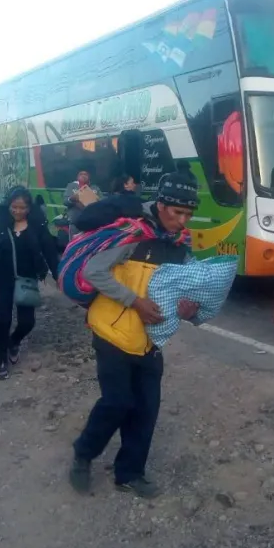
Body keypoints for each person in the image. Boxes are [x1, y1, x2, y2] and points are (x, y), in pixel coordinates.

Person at [69, 170, 200, 499]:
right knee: (117, 402)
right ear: (160, 206)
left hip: (149, 340)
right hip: (111, 331)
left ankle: (129, 473)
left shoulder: (180, 246)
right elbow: (93, 270)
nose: (183, 222)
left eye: (188, 214)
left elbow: (192, 289)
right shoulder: (133, 233)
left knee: (146, 408)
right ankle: (83, 454)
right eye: (178, 213)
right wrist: (135, 301)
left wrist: (190, 309)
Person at [0, 187, 60, 380]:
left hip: (27, 278)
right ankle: (1, 362)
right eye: (14, 207)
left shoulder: (37, 226)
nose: (18, 211)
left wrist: (59, 275)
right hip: (2, 278)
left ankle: (14, 341)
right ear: (9, 205)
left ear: (29, 208)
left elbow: (49, 250)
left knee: (27, 322)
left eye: (22, 208)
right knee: (2, 320)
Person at [64, 170, 100, 239]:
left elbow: (102, 202)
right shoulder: (71, 186)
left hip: (91, 223)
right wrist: (71, 199)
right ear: (77, 177)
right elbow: (65, 202)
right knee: (74, 246)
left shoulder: (95, 188)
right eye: (81, 174)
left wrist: (97, 201)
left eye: (85, 174)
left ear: (89, 177)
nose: (83, 175)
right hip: (75, 223)